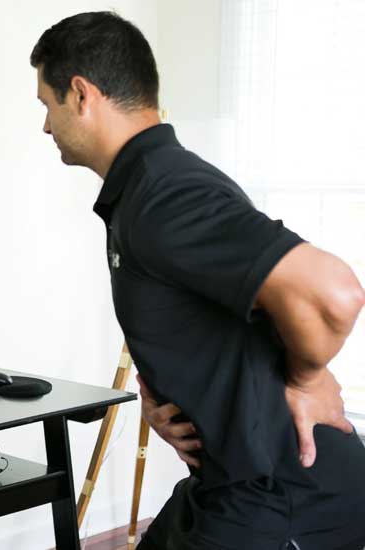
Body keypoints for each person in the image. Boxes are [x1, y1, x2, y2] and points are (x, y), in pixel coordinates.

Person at [30, 12, 365, 550]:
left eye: (47, 105)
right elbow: (198, 317)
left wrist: (308, 380)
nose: (46, 126)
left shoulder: (164, 193)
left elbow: (335, 293)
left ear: (82, 94)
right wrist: (159, 397)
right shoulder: (147, 185)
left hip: (283, 495)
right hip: (227, 481)